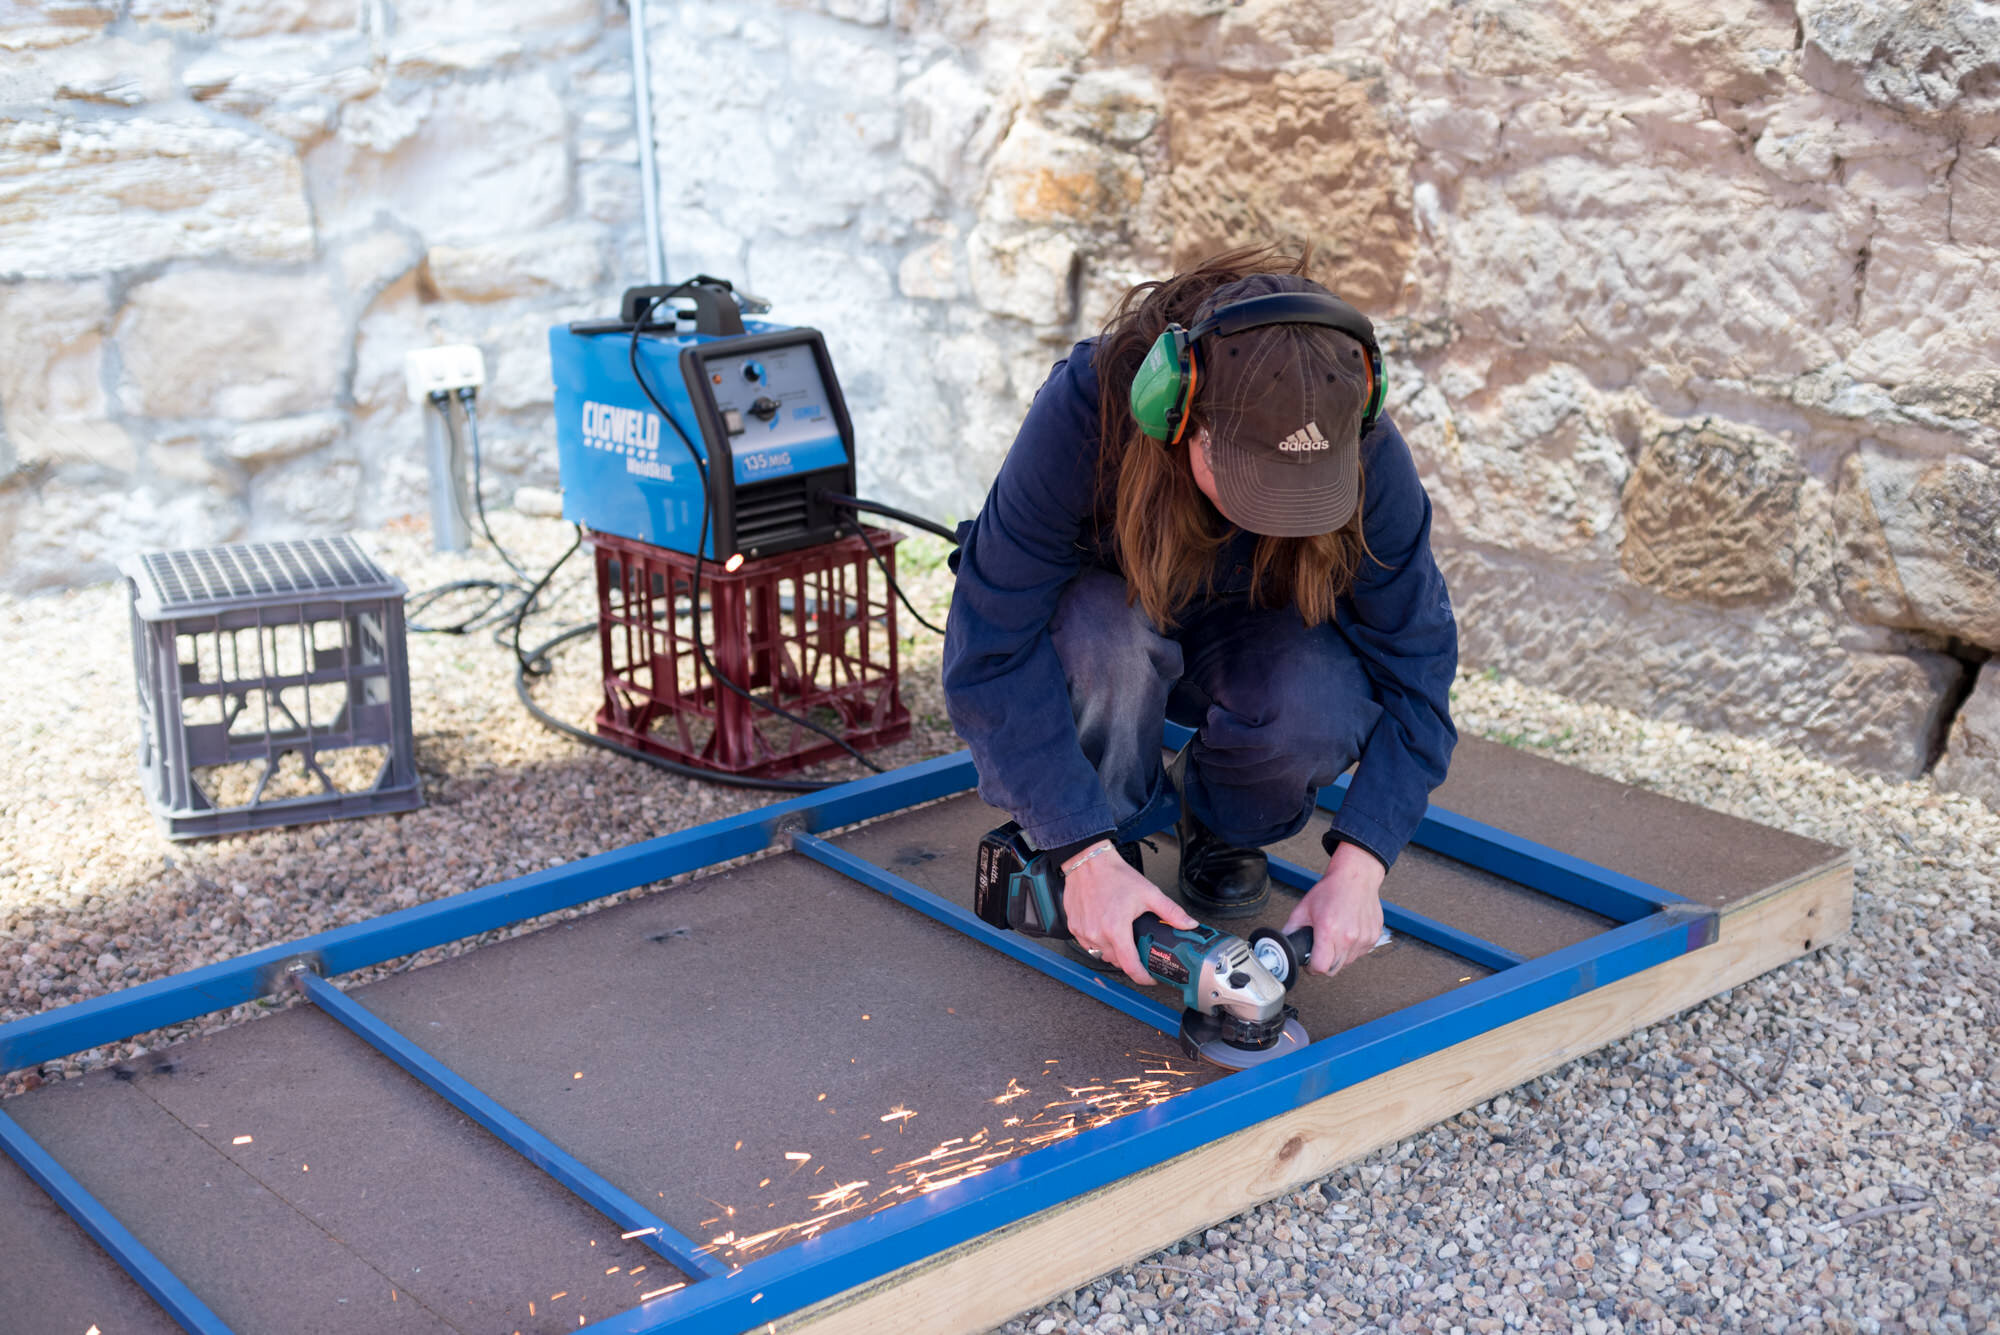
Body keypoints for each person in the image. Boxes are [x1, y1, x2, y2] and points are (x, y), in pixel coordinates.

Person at [941, 246, 1458, 989]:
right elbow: (988, 650)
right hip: (1115, 619)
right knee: (1101, 640)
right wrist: (1082, 851)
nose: (1281, 512)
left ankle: (1219, 827)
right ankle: (1102, 854)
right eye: (1257, 482)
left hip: (1249, 632)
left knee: (1319, 701)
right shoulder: (1091, 415)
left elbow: (1420, 666)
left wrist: (1362, 866)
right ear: (1176, 410)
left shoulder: (1364, 449)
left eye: (1303, 488)